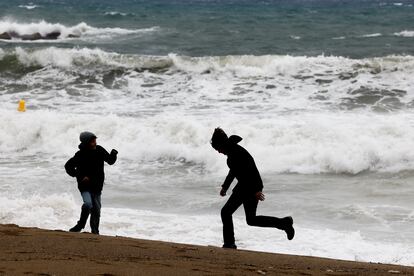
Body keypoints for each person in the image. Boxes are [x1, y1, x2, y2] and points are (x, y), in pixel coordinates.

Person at [211, 127, 294, 249]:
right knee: (251, 219)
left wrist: (255, 191)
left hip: (250, 185)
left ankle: (229, 243)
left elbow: (249, 172)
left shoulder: (235, 153)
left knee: (226, 212)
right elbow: (234, 171)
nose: (218, 152)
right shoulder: (232, 152)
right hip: (246, 185)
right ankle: (284, 223)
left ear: (222, 144)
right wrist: (225, 187)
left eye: (218, 148)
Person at [65, 131, 118, 234]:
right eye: (92, 141)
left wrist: (114, 154)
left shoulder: (100, 150)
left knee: (97, 211)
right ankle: (80, 225)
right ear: (86, 143)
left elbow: (110, 161)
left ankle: (95, 231)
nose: (95, 143)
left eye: (95, 140)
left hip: (97, 186)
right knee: (88, 204)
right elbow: (68, 166)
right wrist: (79, 176)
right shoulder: (80, 154)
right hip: (84, 186)